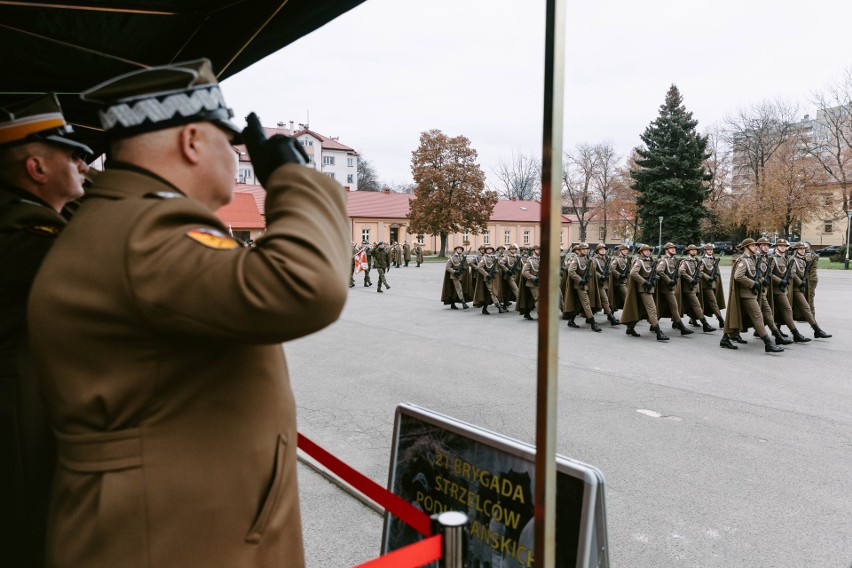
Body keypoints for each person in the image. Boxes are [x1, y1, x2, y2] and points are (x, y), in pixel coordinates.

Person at [27, 59, 350, 567]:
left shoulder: (122, 218)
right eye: (228, 142)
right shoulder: (146, 230)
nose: (235, 155)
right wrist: (294, 179)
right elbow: (305, 286)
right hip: (168, 537)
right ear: (193, 141)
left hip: (166, 525)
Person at [0, 94, 93, 568]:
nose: (84, 162)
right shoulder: (20, 232)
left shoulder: (32, 217)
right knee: (30, 539)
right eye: (72, 154)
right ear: (36, 168)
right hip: (18, 426)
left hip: (28, 410)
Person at [721, 239, 783, 352]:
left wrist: (762, 280)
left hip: (753, 293)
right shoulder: (743, 261)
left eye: (755, 245)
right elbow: (738, 276)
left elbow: (756, 274)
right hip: (746, 294)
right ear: (746, 247)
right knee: (758, 316)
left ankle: (725, 338)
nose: (756, 247)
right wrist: (753, 284)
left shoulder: (753, 259)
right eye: (753, 245)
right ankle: (768, 343)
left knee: (742, 317)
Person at [621, 243, 669, 340]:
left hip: (650, 288)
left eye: (649, 250)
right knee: (652, 309)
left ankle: (630, 328)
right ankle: (658, 332)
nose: (648, 252)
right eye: (646, 250)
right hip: (644, 289)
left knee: (640, 309)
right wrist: (644, 282)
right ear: (641, 252)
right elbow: (633, 273)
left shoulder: (651, 261)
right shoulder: (639, 261)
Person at [768, 240, 811, 343]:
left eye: (784, 246)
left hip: (785, 289)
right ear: (776, 247)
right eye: (780, 246)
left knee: (779, 312)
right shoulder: (773, 258)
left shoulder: (786, 259)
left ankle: (777, 332)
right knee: (787, 310)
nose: (783, 247)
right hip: (777, 290)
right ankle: (795, 334)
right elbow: (769, 274)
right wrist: (780, 281)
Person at [790, 242, 831, 338]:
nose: (803, 250)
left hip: (802, 287)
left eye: (804, 248)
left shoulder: (803, 259)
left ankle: (816, 330)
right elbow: (792, 274)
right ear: (795, 250)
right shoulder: (793, 260)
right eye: (800, 249)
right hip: (795, 288)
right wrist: (801, 283)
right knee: (787, 309)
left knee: (803, 307)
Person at [655, 242, 694, 336]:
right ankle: (682, 328)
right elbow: (659, 270)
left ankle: (652, 324)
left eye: (674, 248)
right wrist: (668, 280)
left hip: (671, 287)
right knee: (674, 306)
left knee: (663, 307)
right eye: (671, 248)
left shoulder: (674, 260)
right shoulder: (664, 261)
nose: (674, 249)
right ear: (666, 250)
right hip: (666, 288)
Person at [564, 242, 602, 331]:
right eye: (583, 249)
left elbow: (592, 270)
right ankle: (593, 323)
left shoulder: (588, 259)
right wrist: (580, 280)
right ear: (580, 250)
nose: (585, 251)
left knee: (578, 304)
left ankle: (571, 320)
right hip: (580, 285)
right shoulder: (576, 259)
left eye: (586, 249)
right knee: (586, 303)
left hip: (587, 284)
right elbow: (571, 271)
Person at [678, 245, 716, 332]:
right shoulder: (685, 261)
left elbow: (699, 272)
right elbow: (681, 271)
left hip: (696, 287)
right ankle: (705, 325)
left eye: (695, 250)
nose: (694, 251)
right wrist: (691, 280)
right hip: (689, 288)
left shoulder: (696, 261)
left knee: (688, 306)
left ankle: (679, 321)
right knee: (697, 306)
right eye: (692, 250)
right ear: (689, 251)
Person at [698, 242, 726, 329]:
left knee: (702, 303)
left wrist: (716, 274)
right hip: (706, 285)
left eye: (711, 250)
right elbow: (700, 271)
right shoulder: (702, 260)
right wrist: (707, 277)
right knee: (713, 302)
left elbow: (716, 270)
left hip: (713, 284)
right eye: (708, 250)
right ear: (705, 250)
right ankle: (721, 320)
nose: (710, 251)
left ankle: (692, 319)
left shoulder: (713, 259)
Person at [591, 243, 619, 326]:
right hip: (599, 283)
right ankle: (611, 318)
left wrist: (618, 275)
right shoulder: (594, 260)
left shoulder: (607, 259)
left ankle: (588, 317)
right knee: (605, 300)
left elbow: (611, 269)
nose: (603, 250)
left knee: (606, 300)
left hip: (607, 283)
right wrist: (600, 276)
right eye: (601, 249)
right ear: (597, 251)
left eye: (604, 249)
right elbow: (593, 270)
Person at [441, 245, 471, 309]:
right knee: (459, 289)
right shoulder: (452, 258)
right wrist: (454, 272)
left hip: (462, 276)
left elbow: (467, 264)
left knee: (456, 290)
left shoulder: (463, 257)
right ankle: (463, 303)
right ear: (456, 250)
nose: (459, 250)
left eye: (460, 249)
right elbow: (448, 268)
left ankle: (452, 303)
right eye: (458, 249)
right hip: (455, 276)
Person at [518, 244, 542, 320]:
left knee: (531, 300)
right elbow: (524, 272)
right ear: (534, 251)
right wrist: (534, 278)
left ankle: (527, 312)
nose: (539, 251)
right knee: (538, 299)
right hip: (533, 283)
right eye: (538, 249)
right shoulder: (529, 260)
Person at [609, 244, 631, 313]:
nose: (625, 251)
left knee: (618, 299)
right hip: (619, 282)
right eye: (624, 250)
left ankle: (611, 312)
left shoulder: (629, 259)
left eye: (626, 250)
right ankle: (629, 316)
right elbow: (611, 268)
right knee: (627, 298)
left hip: (627, 282)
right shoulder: (617, 259)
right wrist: (619, 275)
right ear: (620, 251)